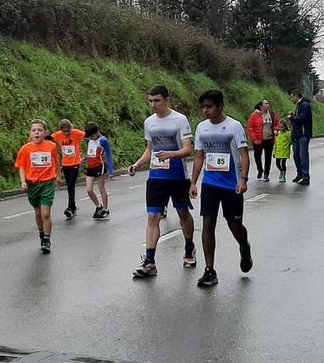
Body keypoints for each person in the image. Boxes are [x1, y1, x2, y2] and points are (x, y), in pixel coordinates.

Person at [127, 84, 197, 278]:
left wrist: (171, 154)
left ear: (167, 100)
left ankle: (189, 247)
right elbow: (150, 149)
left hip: (177, 176)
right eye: (150, 101)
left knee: (183, 213)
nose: (153, 105)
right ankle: (150, 262)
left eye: (157, 100)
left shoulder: (180, 120)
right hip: (156, 176)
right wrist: (137, 164)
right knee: (153, 217)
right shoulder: (149, 122)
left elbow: (187, 149)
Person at [189, 90, 252, 288]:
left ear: (220, 106)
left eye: (209, 107)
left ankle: (244, 246)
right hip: (210, 183)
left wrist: (243, 180)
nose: (205, 110)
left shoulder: (233, 126)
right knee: (208, 222)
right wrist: (193, 182)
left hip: (231, 184)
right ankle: (209, 270)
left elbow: (243, 154)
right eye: (203, 107)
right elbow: (199, 156)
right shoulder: (201, 128)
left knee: (234, 225)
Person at [15, 119, 60, 253]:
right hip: (32, 184)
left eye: (39, 130)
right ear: (30, 133)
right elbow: (21, 166)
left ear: (45, 133)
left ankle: (47, 239)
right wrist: (23, 181)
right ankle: (41, 233)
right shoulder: (25, 149)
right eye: (34, 130)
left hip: (47, 182)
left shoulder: (51, 146)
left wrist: (58, 176)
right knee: (38, 212)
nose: (37, 133)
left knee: (45, 213)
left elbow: (56, 163)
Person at [52, 119, 86, 220]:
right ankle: (73, 207)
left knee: (71, 185)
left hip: (75, 163)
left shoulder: (76, 133)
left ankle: (70, 208)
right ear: (61, 129)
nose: (66, 133)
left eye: (68, 131)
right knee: (69, 186)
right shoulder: (58, 134)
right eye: (64, 131)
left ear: (71, 128)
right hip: (65, 164)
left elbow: (88, 135)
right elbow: (49, 138)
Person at [83, 123, 113, 219]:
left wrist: (111, 171)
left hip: (100, 166)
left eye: (92, 136)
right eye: (89, 137)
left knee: (101, 189)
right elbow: (90, 154)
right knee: (89, 190)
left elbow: (108, 155)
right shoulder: (90, 141)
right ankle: (98, 206)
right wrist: (83, 159)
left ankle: (105, 209)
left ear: (96, 132)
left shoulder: (103, 140)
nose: (91, 138)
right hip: (90, 167)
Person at [289, 89, 313, 185]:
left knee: (303, 156)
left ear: (296, 96)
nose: (291, 99)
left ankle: (306, 176)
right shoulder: (299, 105)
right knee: (296, 155)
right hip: (297, 135)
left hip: (303, 134)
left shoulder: (305, 105)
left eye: (292, 97)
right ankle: (300, 174)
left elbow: (303, 119)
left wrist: (292, 117)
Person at [248, 102, 267, 179]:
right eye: (264, 105)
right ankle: (260, 169)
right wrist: (254, 138)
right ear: (260, 106)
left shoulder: (268, 114)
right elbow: (250, 128)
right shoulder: (253, 115)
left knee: (267, 156)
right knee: (257, 156)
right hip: (257, 139)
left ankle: (266, 172)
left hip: (267, 138)